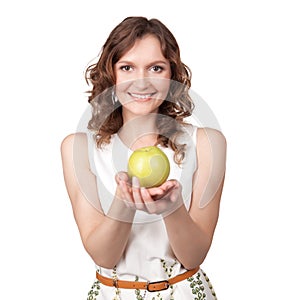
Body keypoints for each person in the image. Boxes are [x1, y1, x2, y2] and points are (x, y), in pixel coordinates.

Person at [61, 16, 226, 300]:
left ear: (172, 75)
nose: (142, 81)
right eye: (127, 67)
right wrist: (124, 204)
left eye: (156, 68)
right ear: (110, 75)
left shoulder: (207, 143)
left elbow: (194, 255)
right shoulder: (78, 147)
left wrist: (171, 208)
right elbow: (104, 256)